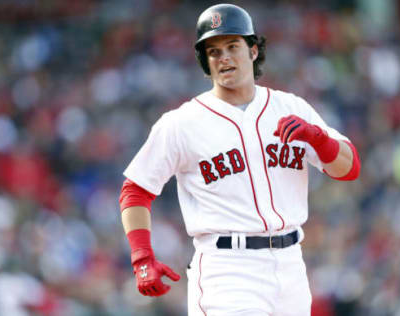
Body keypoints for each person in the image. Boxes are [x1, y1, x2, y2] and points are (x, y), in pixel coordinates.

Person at [119, 3, 361, 316]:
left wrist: (320, 139)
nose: (224, 58)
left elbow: (349, 169)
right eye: (213, 51)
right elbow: (135, 190)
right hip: (228, 270)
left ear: (254, 50)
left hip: (290, 266)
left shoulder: (291, 106)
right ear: (204, 62)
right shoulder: (181, 123)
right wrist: (142, 257)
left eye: (233, 46)